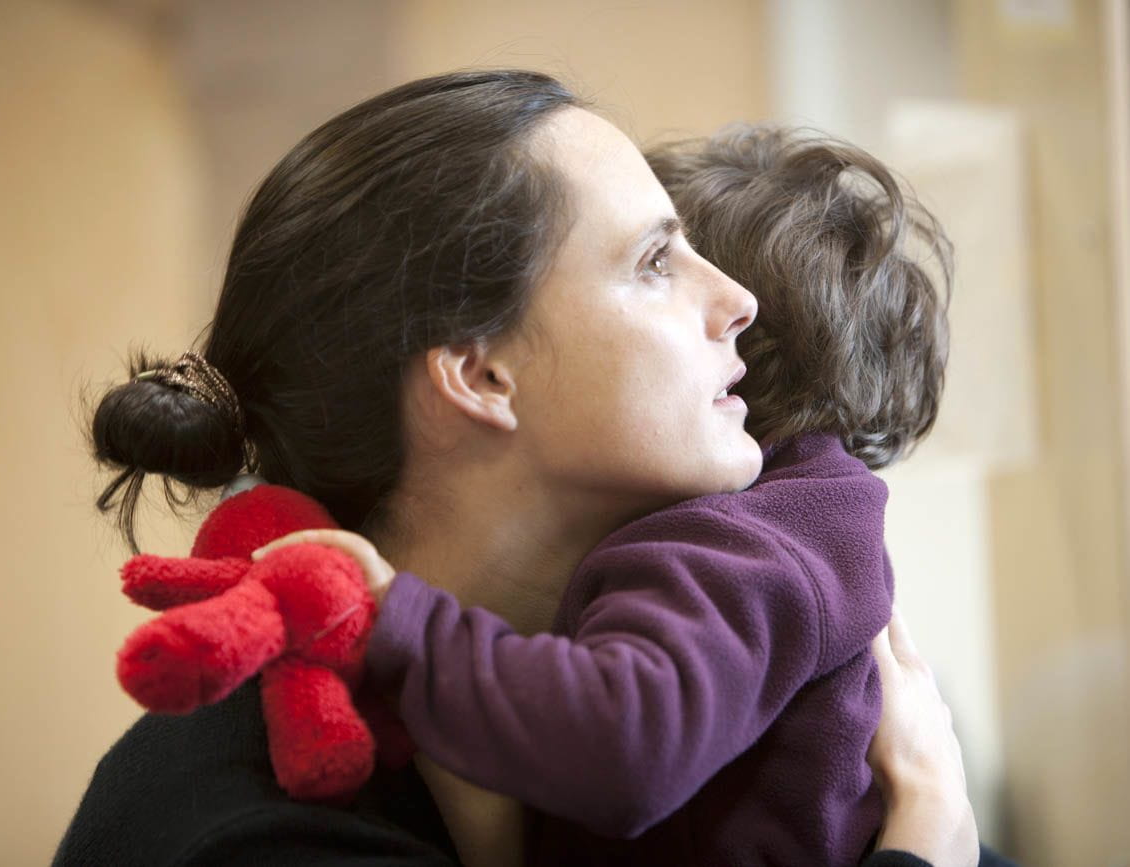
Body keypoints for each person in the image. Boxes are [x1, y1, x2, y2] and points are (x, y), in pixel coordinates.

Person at [57, 70, 979, 866]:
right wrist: (927, 838)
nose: (738, 301)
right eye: (656, 260)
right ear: (480, 374)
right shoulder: (245, 827)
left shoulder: (690, 649)